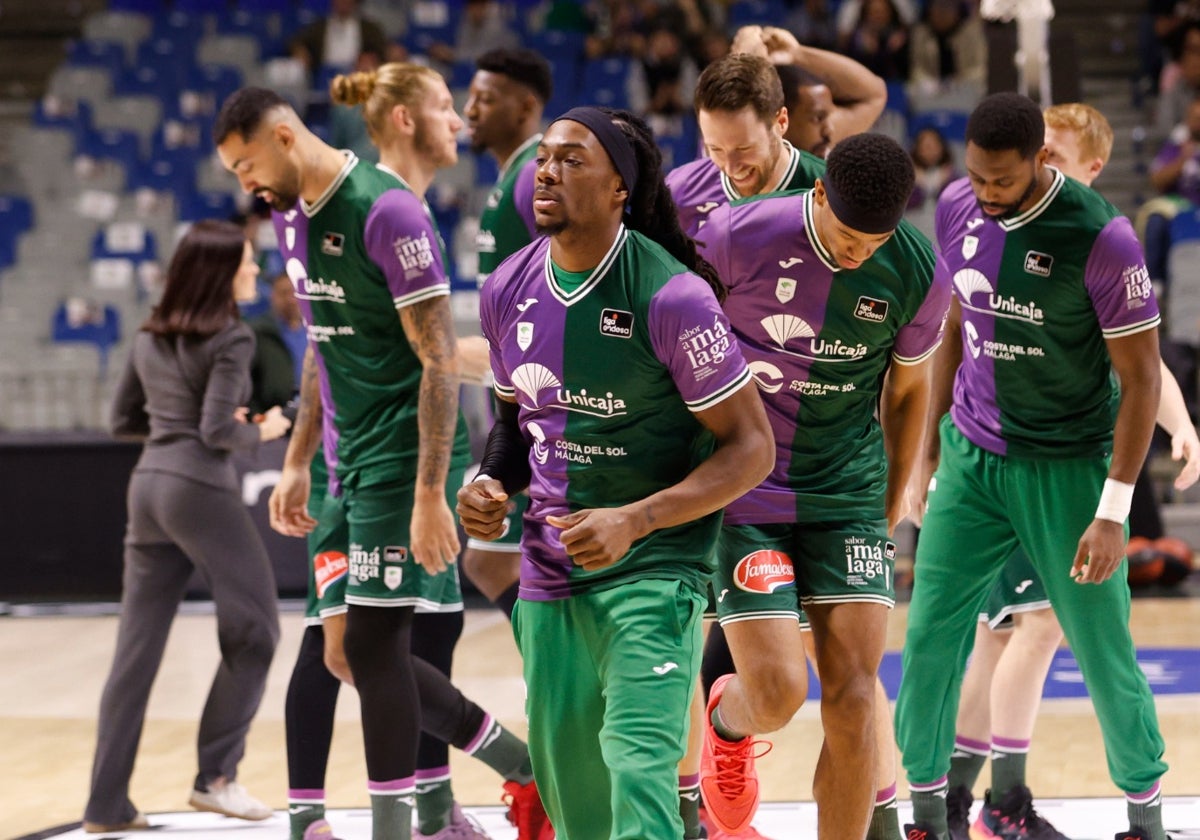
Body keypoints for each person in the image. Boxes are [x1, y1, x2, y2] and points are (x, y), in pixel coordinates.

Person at [457, 106, 774, 840]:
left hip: (656, 564)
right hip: (552, 568)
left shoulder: (672, 297)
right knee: (576, 803)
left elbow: (751, 448)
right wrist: (490, 487)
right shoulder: (508, 287)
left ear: (620, 189)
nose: (546, 171)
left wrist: (638, 519)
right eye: (544, 158)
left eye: (572, 159)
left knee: (638, 768)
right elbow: (512, 427)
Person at [894, 92, 1169, 840]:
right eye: (976, 178)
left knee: (1100, 647)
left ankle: (1145, 817)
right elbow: (953, 321)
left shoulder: (1102, 238)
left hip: (1068, 469)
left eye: (1002, 182)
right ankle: (926, 812)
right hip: (973, 455)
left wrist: (1114, 511)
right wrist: (925, 451)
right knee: (928, 637)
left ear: (1042, 161)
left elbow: (1143, 378)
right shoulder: (955, 206)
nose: (986, 195)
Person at [214, 82, 466, 840]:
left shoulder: (386, 210)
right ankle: (489, 779)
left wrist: (429, 491)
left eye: (246, 164)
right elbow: (322, 349)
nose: (245, 185)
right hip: (341, 468)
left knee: (372, 645)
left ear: (285, 137)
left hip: (400, 460)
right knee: (346, 646)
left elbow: (441, 361)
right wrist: (295, 461)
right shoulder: (291, 219)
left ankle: (439, 805)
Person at [669, 50, 906, 840]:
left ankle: (879, 810)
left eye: (743, 153)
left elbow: (908, 383)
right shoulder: (694, 210)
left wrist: (900, 485)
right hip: (732, 475)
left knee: (856, 691)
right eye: (713, 153)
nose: (728, 169)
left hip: (837, 479)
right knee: (761, 680)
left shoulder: (851, 200)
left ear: (782, 126)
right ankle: (711, 767)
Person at [694, 133, 948, 840]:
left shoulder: (918, 271)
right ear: (815, 197)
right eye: (844, 239)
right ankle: (725, 719)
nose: (856, 255)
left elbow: (906, 394)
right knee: (776, 694)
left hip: (846, 491)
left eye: (873, 243)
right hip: (744, 488)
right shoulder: (732, 237)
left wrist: (894, 498)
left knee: (856, 699)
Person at [82, 220, 291, 833]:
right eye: (249, 264)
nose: (255, 271)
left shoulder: (148, 335)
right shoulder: (232, 337)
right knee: (257, 630)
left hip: (147, 487)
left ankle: (104, 806)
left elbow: (123, 420)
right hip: (199, 488)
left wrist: (178, 427)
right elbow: (217, 434)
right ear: (222, 274)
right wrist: (266, 431)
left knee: (134, 656)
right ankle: (217, 778)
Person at [462, 47, 552, 619]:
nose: (469, 109)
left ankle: (569, 669)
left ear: (525, 107)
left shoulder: (529, 179)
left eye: (485, 99)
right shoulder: (510, 180)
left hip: (543, 403)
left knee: (494, 561)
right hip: (520, 400)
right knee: (490, 561)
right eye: (470, 96)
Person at [666, 52, 826, 240]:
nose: (731, 167)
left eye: (744, 148)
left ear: (781, 122)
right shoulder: (679, 191)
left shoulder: (833, 195)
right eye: (715, 149)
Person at [730, 25, 887, 160]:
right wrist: (744, 67)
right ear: (781, 121)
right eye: (817, 118)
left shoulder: (819, 143)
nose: (829, 129)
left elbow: (873, 94)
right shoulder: (737, 158)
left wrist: (797, 54)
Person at [247, 271, 306, 415]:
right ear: (273, 296)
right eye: (284, 293)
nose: (291, 299)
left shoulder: (319, 333)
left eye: (296, 292)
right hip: (273, 415)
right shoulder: (257, 334)